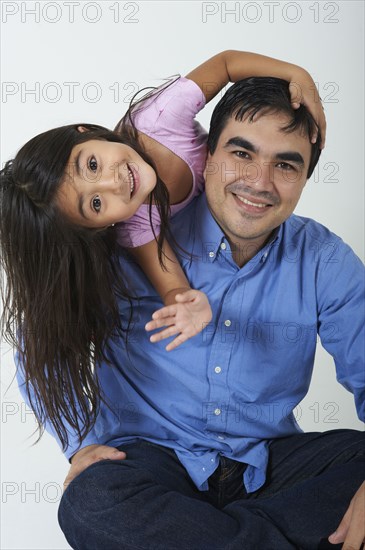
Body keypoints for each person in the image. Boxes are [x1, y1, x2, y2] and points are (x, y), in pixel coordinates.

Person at [29, 77, 365, 548]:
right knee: (93, 500)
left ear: (306, 178)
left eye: (286, 165)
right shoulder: (132, 235)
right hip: (153, 465)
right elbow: (39, 340)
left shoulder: (326, 261)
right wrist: (79, 444)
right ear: (208, 155)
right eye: (242, 154)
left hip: (270, 465)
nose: (259, 182)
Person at [0, 51, 325, 451]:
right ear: (100, 226)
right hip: (152, 448)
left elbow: (224, 65)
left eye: (91, 165)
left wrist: (296, 74)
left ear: (87, 132)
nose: (114, 184)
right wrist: (193, 307)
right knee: (94, 497)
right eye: (96, 204)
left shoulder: (155, 120)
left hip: (242, 207)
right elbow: (174, 288)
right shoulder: (137, 225)